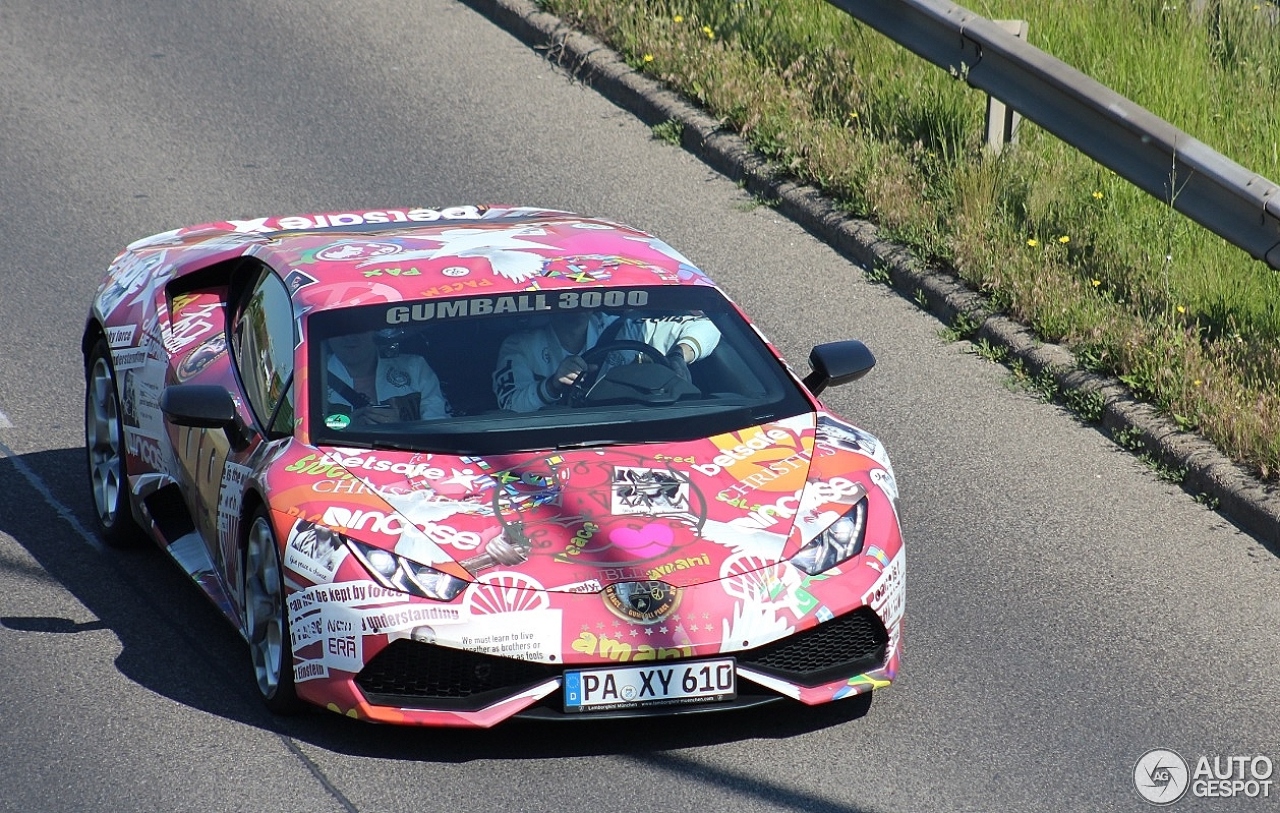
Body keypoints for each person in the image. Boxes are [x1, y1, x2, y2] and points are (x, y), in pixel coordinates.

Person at [492, 310, 720, 412]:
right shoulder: (520, 346)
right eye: (567, 299)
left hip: (631, 431)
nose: (576, 305)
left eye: (583, 296)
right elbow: (510, 405)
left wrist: (679, 355)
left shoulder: (626, 329)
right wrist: (551, 386)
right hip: (552, 442)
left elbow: (709, 326)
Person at [325, 331, 448, 423]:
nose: (349, 337)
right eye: (339, 330)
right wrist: (348, 430)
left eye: (359, 329)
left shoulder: (415, 368)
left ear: (375, 332)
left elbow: (438, 426)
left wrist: (400, 430)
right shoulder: (310, 374)